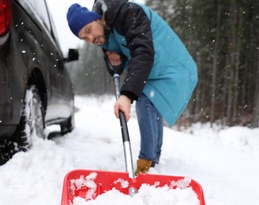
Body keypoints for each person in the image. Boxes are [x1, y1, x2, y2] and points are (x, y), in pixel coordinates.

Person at [67, 0, 198, 175]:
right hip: (153, 74)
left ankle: (146, 166)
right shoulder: (104, 36)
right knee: (150, 104)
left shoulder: (127, 13)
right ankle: (152, 162)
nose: (91, 39)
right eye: (84, 38)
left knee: (145, 101)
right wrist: (116, 63)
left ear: (97, 18)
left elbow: (142, 51)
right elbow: (116, 64)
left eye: (89, 30)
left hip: (173, 68)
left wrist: (127, 94)